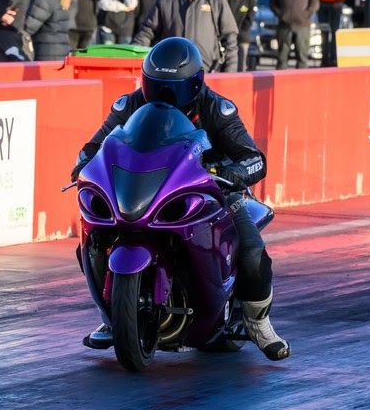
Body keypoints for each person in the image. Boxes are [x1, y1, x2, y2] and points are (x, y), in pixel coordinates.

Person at [71, 37, 289, 361]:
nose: (165, 97)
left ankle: (259, 323)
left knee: (252, 252)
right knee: (92, 240)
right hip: (147, 192)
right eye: (157, 88)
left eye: (173, 89)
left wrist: (234, 174)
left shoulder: (217, 108)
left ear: (195, 84)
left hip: (213, 193)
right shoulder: (128, 106)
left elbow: (254, 158)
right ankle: (113, 316)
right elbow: (95, 146)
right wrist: (83, 165)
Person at [132, 0, 238, 72]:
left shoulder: (216, 0)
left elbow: (230, 40)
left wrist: (230, 73)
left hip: (207, 74)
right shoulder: (165, 0)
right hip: (172, 75)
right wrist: (130, 57)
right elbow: (146, 32)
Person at [225, 0, 256, 72]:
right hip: (228, 36)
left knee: (241, 64)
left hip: (242, 36)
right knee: (228, 63)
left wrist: (241, 30)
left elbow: (250, 17)